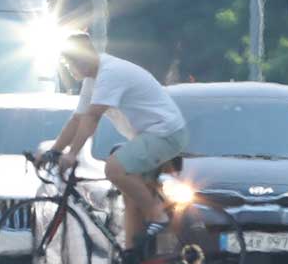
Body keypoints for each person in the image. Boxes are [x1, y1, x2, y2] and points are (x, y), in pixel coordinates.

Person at [42, 31, 188, 249]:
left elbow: (92, 117)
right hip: (149, 136)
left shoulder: (110, 73)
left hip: (165, 133)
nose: (68, 70)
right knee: (131, 201)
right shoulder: (92, 79)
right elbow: (77, 119)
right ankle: (132, 262)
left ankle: (159, 215)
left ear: (83, 58)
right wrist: (54, 151)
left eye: (68, 63)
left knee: (114, 168)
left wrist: (72, 154)